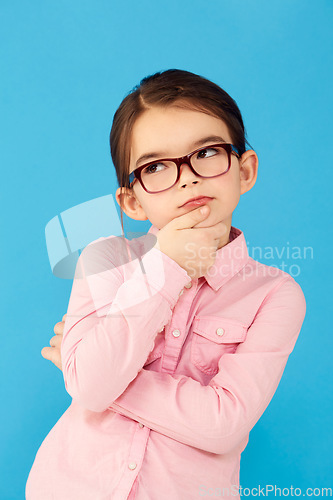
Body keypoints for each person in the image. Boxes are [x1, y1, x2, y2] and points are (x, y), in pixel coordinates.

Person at [26, 69, 306, 500]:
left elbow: (223, 426)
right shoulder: (104, 260)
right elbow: (91, 387)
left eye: (208, 152)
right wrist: (167, 265)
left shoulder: (273, 293)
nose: (188, 178)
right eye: (155, 166)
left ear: (245, 170)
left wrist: (87, 374)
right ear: (133, 201)